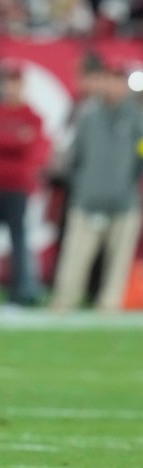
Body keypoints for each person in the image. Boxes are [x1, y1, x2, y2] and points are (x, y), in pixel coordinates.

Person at [49, 59, 143, 312]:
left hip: (123, 202)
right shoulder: (87, 115)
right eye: (109, 79)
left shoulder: (137, 118)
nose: (113, 86)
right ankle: (63, 303)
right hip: (87, 200)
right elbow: (73, 156)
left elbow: (140, 158)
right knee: (74, 259)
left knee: (118, 265)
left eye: (117, 80)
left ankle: (109, 307)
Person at [0, 58, 49, 308]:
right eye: (7, 82)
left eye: (15, 82)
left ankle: (16, 297)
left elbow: (29, 146)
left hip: (17, 189)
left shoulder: (32, 116)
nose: (10, 88)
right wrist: (12, 139)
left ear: (22, 85)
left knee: (18, 243)